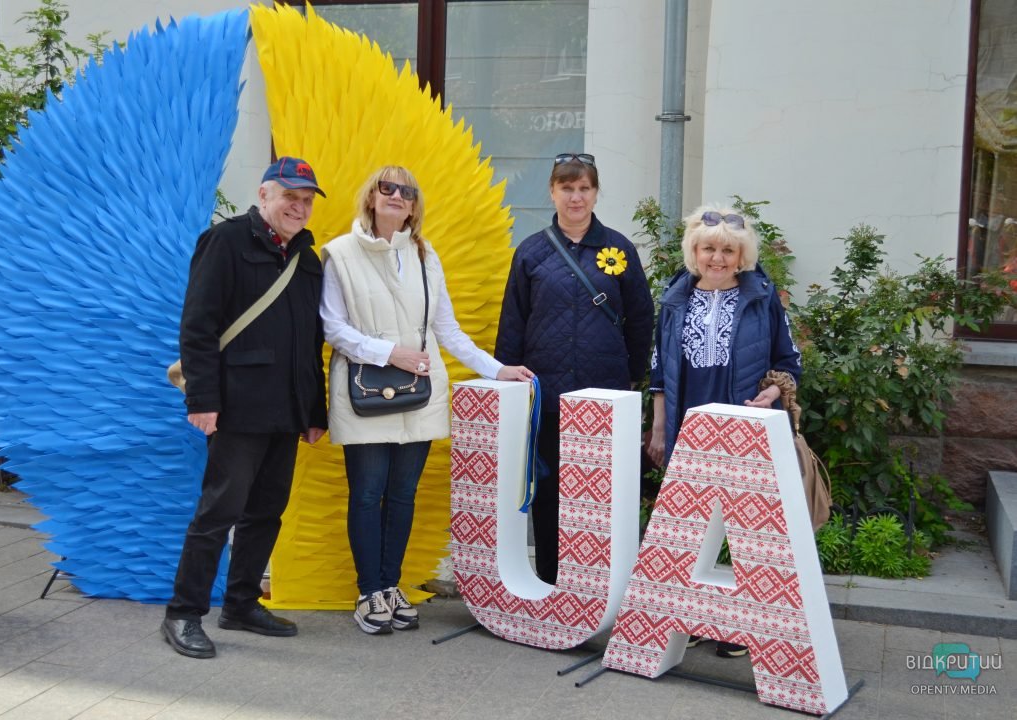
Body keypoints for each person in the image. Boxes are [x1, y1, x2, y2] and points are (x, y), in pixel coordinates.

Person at [320, 165, 533, 635]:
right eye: (386, 187)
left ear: (414, 205)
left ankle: (391, 585)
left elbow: (446, 329)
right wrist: (389, 351)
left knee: (402, 494)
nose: (397, 195)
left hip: (418, 389)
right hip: (365, 388)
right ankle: (368, 590)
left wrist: (497, 369)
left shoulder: (423, 253)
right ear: (371, 197)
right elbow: (332, 326)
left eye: (407, 191)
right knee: (368, 492)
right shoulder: (339, 253)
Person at [161, 157, 329, 659]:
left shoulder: (307, 257)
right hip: (235, 408)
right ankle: (183, 614)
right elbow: (198, 326)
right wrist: (203, 400)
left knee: (266, 512)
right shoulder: (226, 242)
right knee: (218, 512)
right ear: (264, 195)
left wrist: (314, 411)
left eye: (305, 200)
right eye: (289, 197)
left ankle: (240, 603)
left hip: (286, 409)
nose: (297, 207)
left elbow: (311, 340)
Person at [646, 204, 802, 659]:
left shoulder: (762, 297)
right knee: (690, 521)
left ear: (742, 255)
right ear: (694, 251)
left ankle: (738, 625)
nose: (718, 258)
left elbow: (788, 360)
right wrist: (658, 428)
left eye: (728, 251)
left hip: (742, 419)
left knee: (744, 521)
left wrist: (773, 395)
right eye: (709, 248)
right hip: (686, 418)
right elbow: (659, 368)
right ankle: (692, 615)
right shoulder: (675, 299)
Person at [495, 153, 655, 584]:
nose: (576, 197)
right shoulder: (531, 252)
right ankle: (549, 579)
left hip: (604, 395)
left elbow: (641, 319)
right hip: (545, 393)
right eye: (567, 188)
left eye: (584, 188)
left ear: (595, 192)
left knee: (601, 492)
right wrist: (510, 382)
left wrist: (632, 380)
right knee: (548, 490)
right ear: (552, 192)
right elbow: (514, 321)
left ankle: (600, 584)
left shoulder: (618, 248)